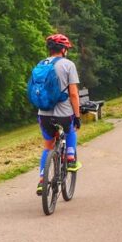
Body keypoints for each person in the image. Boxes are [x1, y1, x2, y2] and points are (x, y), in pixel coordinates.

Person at [35, 34, 82, 195]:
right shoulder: (68, 65)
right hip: (63, 113)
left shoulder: (41, 64)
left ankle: (42, 180)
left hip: (44, 114)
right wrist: (77, 116)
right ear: (63, 50)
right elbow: (74, 94)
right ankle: (70, 158)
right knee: (71, 129)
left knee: (48, 146)